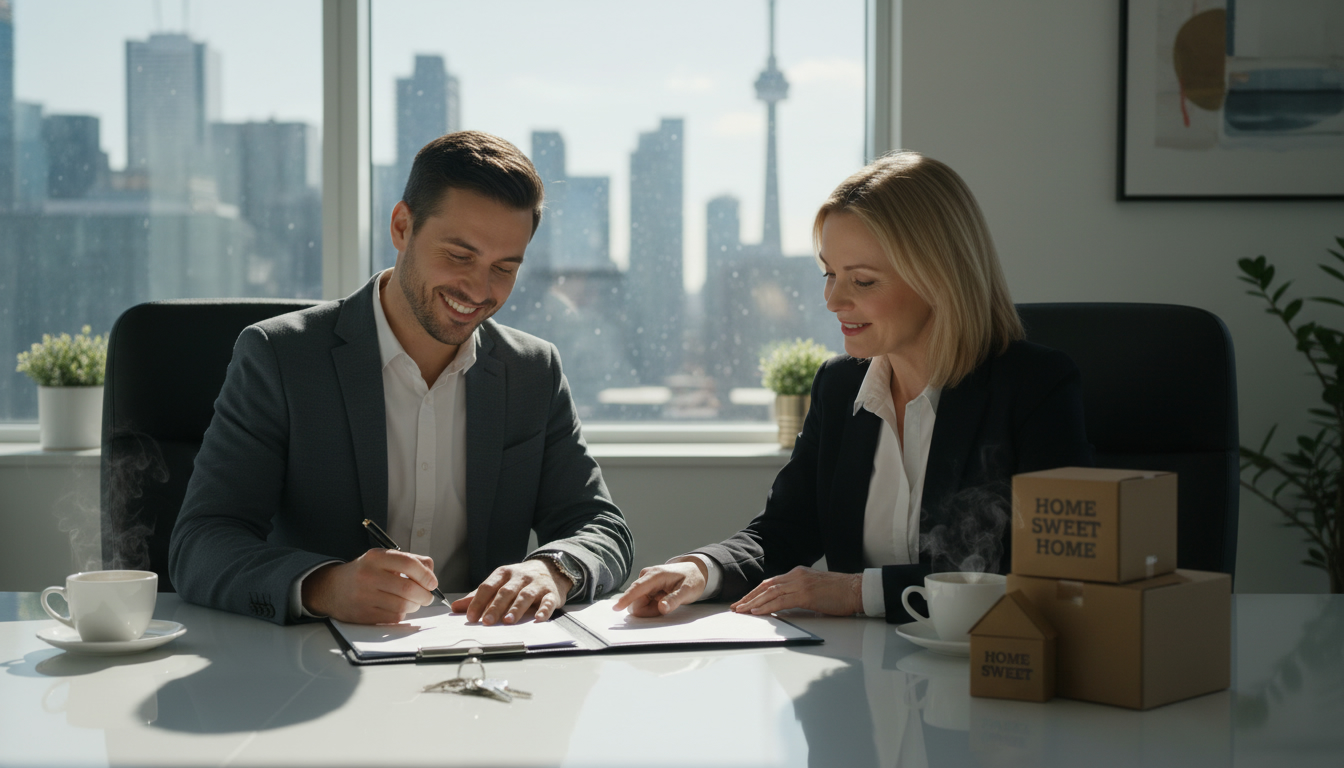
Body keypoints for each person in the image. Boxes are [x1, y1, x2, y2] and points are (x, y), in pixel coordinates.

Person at [170, 131, 633, 627]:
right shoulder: (280, 356)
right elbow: (200, 543)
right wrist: (325, 586)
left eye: (503, 267)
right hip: (316, 655)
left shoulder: (532, 370)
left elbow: (600, 526)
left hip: (479, 652)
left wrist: (555, 568)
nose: (479, 289)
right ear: (401, 227)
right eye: (459, 256)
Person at [615, 151, 1092, 622]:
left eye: (862, 281)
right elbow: (785, 531)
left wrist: (858, 592)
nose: (832, 299)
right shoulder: (839, 386)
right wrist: (702, 569)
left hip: (983, 662)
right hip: (859, 663)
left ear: (938, 278)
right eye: (829, 274)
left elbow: (1039, 575)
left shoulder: (1035, 389)